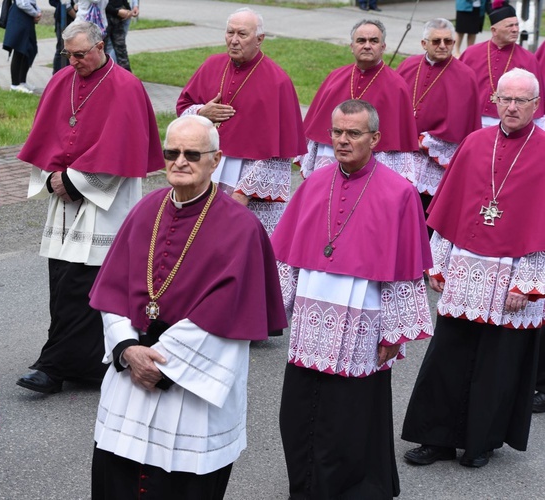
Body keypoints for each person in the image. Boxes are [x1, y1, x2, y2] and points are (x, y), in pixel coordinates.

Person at [89, 115, 288, 499]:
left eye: (192, 154)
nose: (180, 161)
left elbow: (226, 315)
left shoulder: (241, 228)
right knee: (118, 477)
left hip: (191, 381)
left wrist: (159, 364)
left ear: (216, 160)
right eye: (171, 152)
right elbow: (112, 290)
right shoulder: (145, 210)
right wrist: (126, 349)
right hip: (132, 369)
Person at [270, 100, 433, 499]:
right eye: (338, 132)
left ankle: (344, 487)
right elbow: (289, 256)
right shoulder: (313, 182)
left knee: (347, 415)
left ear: (375, 138)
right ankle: (304, 484)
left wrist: (394, 333)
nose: (343, 140)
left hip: (363, 320)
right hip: (310, 319)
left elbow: (405, 271)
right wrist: (274, 307)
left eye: (354, 133)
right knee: (297, 411)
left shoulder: (400, 194)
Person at [402, 68, 545, 469]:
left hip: (514, 275)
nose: (512, 107)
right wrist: (438, 263)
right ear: (495, 101)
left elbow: (543, 227)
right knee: (449, 354)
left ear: (536, 105)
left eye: (521, 100)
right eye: (506, 99)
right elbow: (451, 207)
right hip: (467, 268)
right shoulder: (475, 142)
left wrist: (528, 284)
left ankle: (480, 442)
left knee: (496, 365)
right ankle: (436, 439)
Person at [15, 20, 165, 395]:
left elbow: (122, 149)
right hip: (66, 202)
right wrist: (52, 177)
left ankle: (53, 368)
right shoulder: (61, 81)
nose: (74, 61)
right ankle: (86, 366)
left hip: (106, 203)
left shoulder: (125, 86)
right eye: (69, 54)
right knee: (61, 278)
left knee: (85, 285)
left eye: (80, 54)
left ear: (101, 47)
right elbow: (47, 135)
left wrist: (74, 181)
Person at [177, 7, 306, 235]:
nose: (234, 40)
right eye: (230, 33)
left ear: (260, 39)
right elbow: (183, 108)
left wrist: (243, 193)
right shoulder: (211, 66)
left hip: (248, 187)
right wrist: (201, 113)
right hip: (205, 173)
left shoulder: (278, 82)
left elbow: (279, 152)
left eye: (242, 34)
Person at [298, 20, 419, 184]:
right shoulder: (335, 78)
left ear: (383, 47)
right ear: (352, 46)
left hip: (375, 162)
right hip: (333, 156)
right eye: (361, 40)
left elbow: (399, 141)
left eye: (374, 41)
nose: (367, 46)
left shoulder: (397, 86)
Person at [396, 18, 481, 230]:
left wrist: (423, 141)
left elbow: (460, 124)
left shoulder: (465, 75)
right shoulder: (407, 66)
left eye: (448, 41)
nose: (442, 46)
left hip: (432, 161)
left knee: (425, 218)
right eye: (436, 41)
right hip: (401, 155)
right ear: (424, 44)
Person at [459, 0, 544, 126]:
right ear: (494, 30)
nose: (515, 30)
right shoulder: (471, 53)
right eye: (509, 26)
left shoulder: (528, 59)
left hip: (510, 123)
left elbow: (535, 99)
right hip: (472, 119)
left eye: (517, 25)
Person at [3, 0, 43, 93]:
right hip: (19, 17)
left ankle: (22, 81)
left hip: (26, 17)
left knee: (28, 49)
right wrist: (35, 13)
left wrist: (38, 12)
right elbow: (22, 3)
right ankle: (15, 85)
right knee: (19, 49)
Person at [104, 0, 136, 71]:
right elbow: (101, 4)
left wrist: (128, 11)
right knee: (102, 50)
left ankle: (127, 78)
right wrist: (117, 12)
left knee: (121, 50)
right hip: (104, 19)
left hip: (118, 19)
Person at [52, 0, 77, 73]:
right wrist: (77, 18)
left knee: (67, 50)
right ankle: (58, 75)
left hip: (71, 19)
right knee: (63, 50)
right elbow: (66, 4)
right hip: (65, 20)